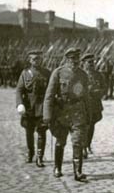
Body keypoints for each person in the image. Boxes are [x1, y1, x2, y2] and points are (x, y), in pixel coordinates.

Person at [43, 48, 91, 182]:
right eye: (72, 59)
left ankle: (78, 171)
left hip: (78, 112)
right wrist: (47, 115)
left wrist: (89, 115)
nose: (75, 62)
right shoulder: (58, 73)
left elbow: (86, 97)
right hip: (61, 113)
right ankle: (57, 167)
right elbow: (49, 95)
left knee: (78, 142)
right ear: (67, 59)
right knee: (60, 141)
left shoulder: (83, 75)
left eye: (77, 59)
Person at [16, 50, 51, 167]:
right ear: (30, 60)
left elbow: (52, 90)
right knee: (29, 132)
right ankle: (30, 153)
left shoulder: (47, 73)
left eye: (39, 59)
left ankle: (40, 157)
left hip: (42, 107)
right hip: (29, 107)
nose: (37, 61)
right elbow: (19, 90)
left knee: (42, 131)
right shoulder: (25, 73)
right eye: (34, 59)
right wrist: (20, 104)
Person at [81, 53, 107, 158]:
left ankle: (88, 144)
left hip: (95, 104)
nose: (91, 64)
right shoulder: (80, 74)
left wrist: (98, 92)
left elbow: (104, 88)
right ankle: (83, 146)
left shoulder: (98, 75)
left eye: (92, 62)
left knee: (91, 125)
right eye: (89, 62)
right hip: (83, 104)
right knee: (83, 125)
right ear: (84, 63)